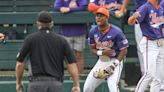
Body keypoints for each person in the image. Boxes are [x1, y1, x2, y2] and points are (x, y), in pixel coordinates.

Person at [15, 11, 80, 92]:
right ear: (52, 24)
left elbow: (19, 64)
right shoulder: (61, 40)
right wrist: (76, 84)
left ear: (38, 24)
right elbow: (71, 64)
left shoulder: (30, 39)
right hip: (55, 85)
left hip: (36, 84)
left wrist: (18, 83)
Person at [83, 8, 128, 92]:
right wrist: (102, 52)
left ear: (107, 18)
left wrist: (114, 65)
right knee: (87, 88)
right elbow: (92, 49)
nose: (98, 18)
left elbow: (124, 50)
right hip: (102, 61)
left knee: (112, 86)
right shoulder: (93, 31)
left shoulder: (116, 31)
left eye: (101, 16)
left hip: (115, 60)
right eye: (97, 16)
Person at [128, 0, 164, 92]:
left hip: (160, 44)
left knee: (159, 77)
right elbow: (130, 22)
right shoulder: (145, 7)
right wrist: (133, 17)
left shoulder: (160, 8)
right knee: (149, 73)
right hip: (149, 43)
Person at [54, 0, 88, 74]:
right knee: (67, 57)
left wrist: (70, 9)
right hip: (66, 31)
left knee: (79, 55)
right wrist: (62, 9)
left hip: (80, 31)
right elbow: (56, 7)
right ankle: (72, 76)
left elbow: (83, 7)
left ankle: (79, 77)